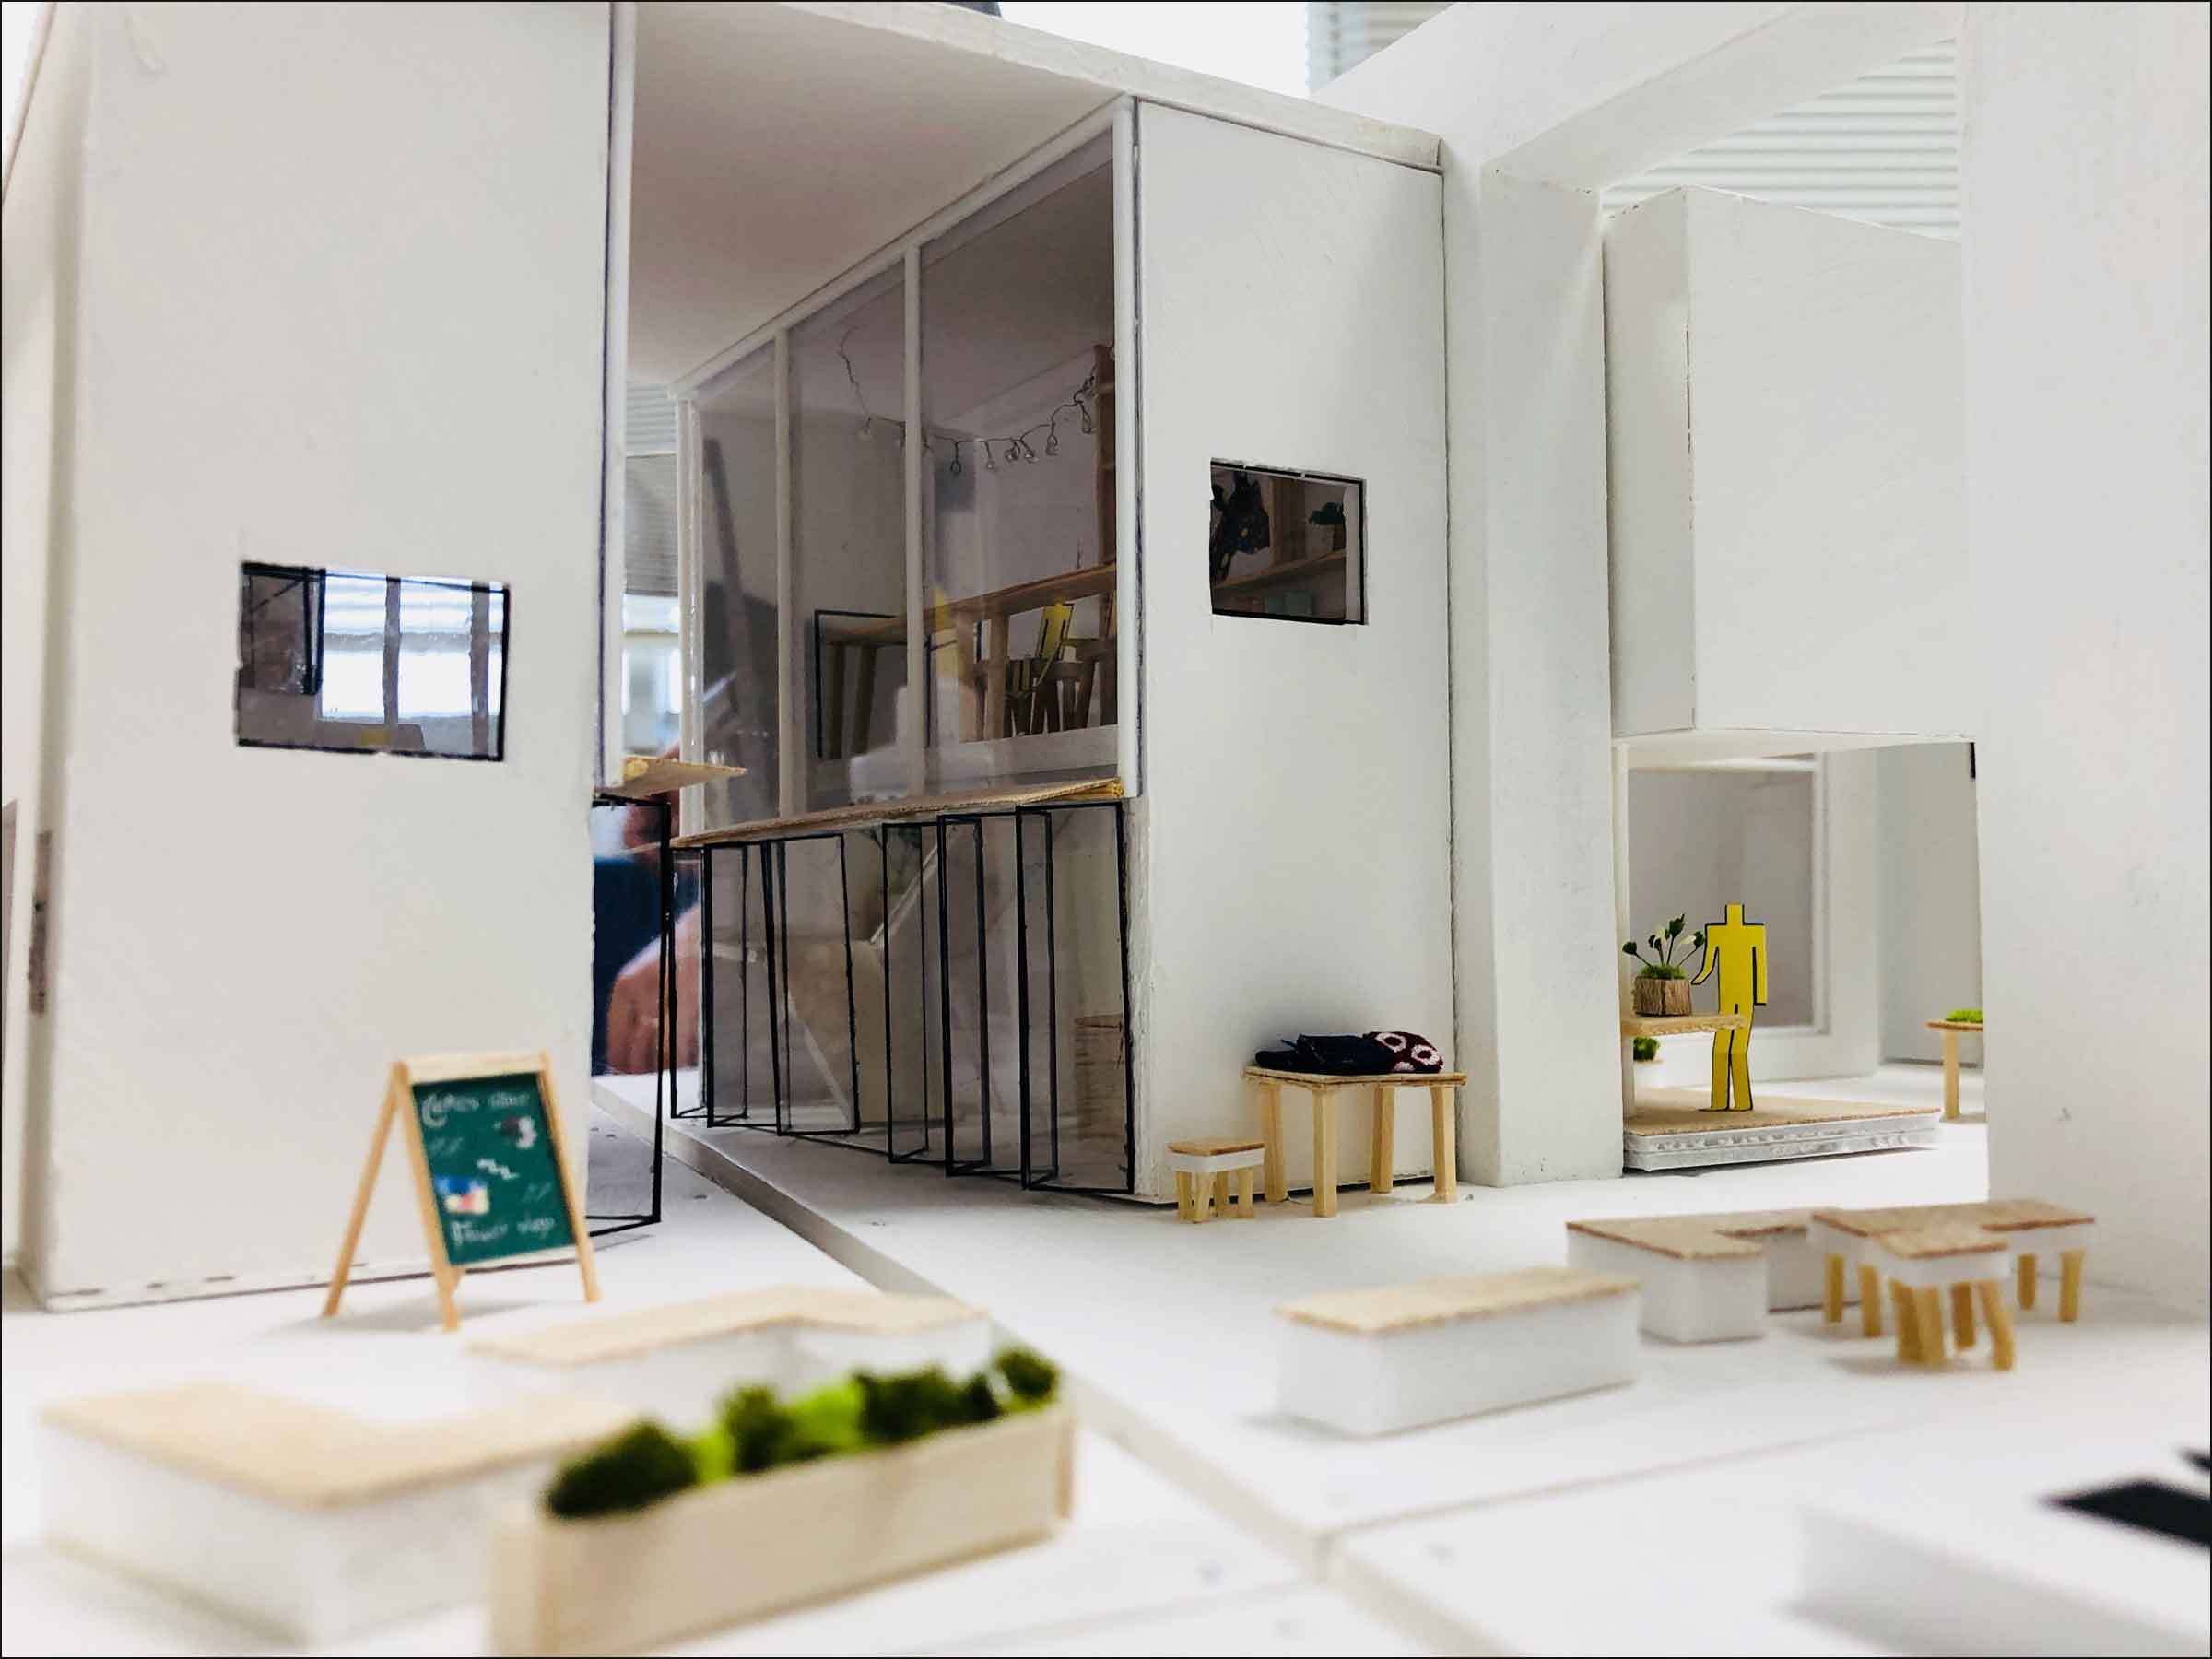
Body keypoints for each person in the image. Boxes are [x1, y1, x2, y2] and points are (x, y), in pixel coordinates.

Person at [1690, 902, 1768, 1112]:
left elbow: (1760, 964)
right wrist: (1697, 979)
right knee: (1720, 1049)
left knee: (1738, 1050)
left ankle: (1742, 1102)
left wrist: (1760, 995)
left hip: (1745, 996)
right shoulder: (1716, 932)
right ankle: (1719, 1102)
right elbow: (1708, 964)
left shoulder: (1754, 932)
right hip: (1726, 997)